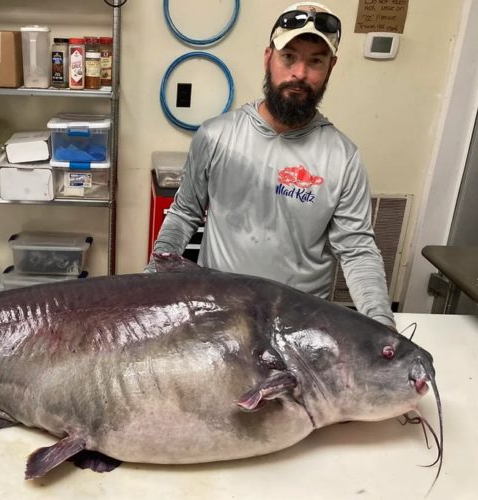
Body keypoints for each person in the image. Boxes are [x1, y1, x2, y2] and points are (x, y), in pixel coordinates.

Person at [147, 2, 396, 328]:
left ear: (331, 68)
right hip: (220, 314)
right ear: (269, 58)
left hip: (300, 326)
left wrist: (381, 323)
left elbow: (357, 249)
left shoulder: (342, 156)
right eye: (288, 56)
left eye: (315, 61)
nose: (300, 74)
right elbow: (184, 214)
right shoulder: (216, 136)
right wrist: (150, 282)